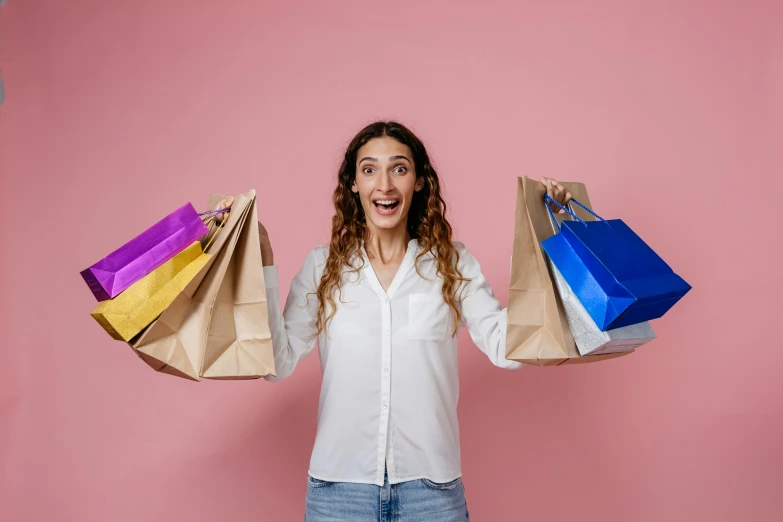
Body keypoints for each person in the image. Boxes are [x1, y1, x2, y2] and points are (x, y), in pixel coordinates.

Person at [212, 121, 572, 522]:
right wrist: (259, 259)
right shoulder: (322, 266)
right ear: (353, 184)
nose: (384, 184)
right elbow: (276, 365)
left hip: (432, 493)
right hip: (338, 493)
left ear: (418, 181)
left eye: (399, 169)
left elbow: (509, 349)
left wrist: (551, 242)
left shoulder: (452, 263)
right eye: (369, 170)